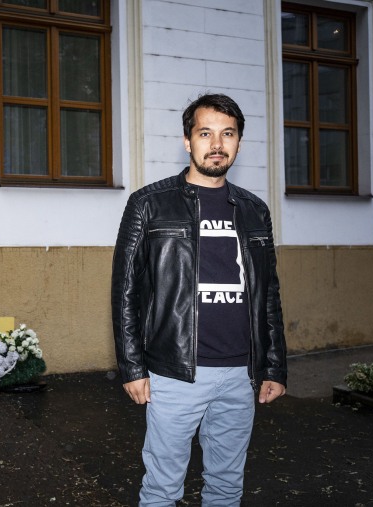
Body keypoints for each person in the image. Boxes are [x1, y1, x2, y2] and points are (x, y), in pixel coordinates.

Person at [111, 93, 287, 506]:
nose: (217, 143)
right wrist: (132, 367)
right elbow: (125, 292)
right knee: (161, 488)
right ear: (188, 142)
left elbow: (269, 293)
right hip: (175, 372)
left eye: (227, 134)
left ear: (239, 143)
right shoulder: (149, 204)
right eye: (205, 133)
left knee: (227, 485)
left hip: (240, 374)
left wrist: (274, 365)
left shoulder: (254, 210)